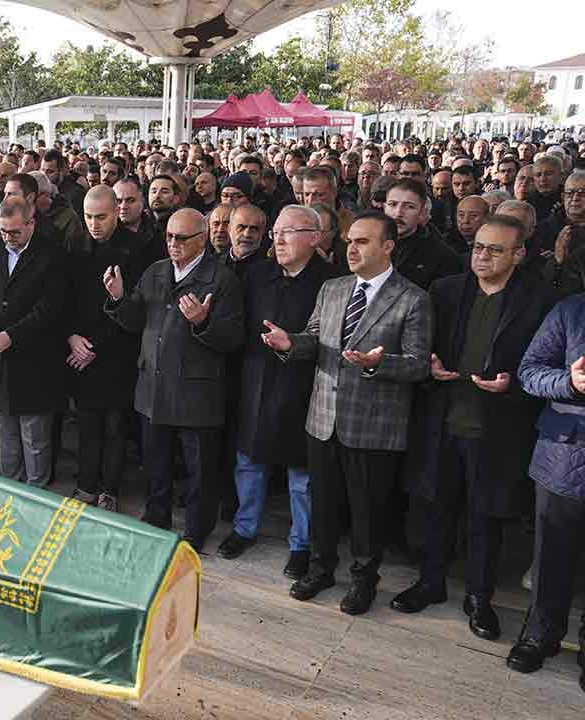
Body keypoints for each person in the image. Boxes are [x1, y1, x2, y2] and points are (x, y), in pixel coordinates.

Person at [392, 216, 556, 641]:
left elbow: (545, 366)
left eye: (494, 249)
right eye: (478, 247)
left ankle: (479, 598)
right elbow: (421, 344)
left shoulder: (539, 300)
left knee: (485, 518)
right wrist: (430, 366)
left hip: (497, 428)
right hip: (444, 419)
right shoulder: (446, 289)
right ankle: (431, 582)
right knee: (436, 508)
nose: (481, 255)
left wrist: (512, 384)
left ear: (519, 254)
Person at [262, 211, 432, 616]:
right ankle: (321, 569)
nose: (351, 249)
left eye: (363, 242)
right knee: (323, 502)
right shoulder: (334, 289)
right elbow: (316, 340)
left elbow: (417, 364)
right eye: (349, 241)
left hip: (374, 425)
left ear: (387, 247)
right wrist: (290, 345)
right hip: (324, 418)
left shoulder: (412, 298)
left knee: (368, 511)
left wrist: (377, 363)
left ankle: (363, 579)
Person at [104, 208, 244, 549]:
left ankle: (197, 529)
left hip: (196, 392)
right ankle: (157, 515)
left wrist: (202, 323)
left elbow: (233, 338)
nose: (173, 244)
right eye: (169, 236)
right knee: (155, 462)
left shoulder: (221, 279)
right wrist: (119, 298)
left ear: (203, 239)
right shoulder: (156, 271)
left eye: (182, 238)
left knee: (199, 469)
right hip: (153, 386)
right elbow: (136, 320)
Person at [220, 205, 337, 578]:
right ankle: (244, 527)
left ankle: (301, 544)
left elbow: (333, 339)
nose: (279, 239)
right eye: (277, 232)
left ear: (315, 239)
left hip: (305, 387)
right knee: (248, 461)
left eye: (290, 232)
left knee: (301, 476)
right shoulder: (257, 275)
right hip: (256, 381)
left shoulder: (332, 283)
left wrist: (295, 345)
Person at [511, 288, 585, 689]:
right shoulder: (571, 312)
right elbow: (530, 372)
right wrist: (571, 382)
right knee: (551, 554)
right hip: (564, 456)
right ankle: (540, 633)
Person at [0, 197, 68, 488]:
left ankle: (36, 491)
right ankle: (9, 486)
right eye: (2, 231)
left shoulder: (52, 255)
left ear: (31, 224)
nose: (7, 238)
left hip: (33, 360)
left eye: (14, 232)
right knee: (5, 432)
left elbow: (49, 309)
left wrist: (11, 335)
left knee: (34, 435)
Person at [69, 186, 151, 511]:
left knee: (116, 425)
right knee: (87, 424)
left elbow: (136, 310)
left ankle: (110, 489)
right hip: (80, 352)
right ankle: (86, 484)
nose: (94, 223)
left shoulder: (137, 250)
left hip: (117, 355)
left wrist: (95, 346)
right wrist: (72, 338)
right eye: (88, 216)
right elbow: (65, 301)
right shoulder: (75, 247)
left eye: (101, 216)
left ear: (117, 211)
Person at [383, 179, 464, 290]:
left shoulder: (442, 257)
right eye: (392, 204)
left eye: (409, 207)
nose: (398, 213)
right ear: (384, 208)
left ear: (422, 213)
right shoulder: (366, 245)